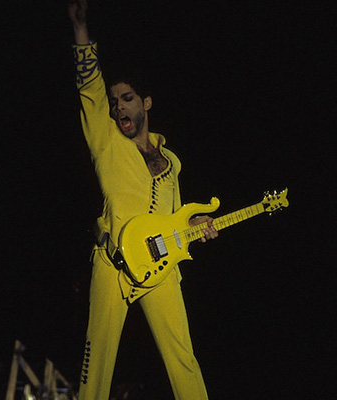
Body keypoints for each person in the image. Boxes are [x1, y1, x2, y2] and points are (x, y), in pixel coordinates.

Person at [68, 0, 216, 398]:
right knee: (96, 365)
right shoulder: (107, 141)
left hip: (161, 266)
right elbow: (90, 89)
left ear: (146, 103)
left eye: (127, 98)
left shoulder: (171, 161)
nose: (119, 107)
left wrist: (197, 226)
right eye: (116, 102)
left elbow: (177, 217)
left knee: (183, 357)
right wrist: (81, 29)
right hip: (113, 263)